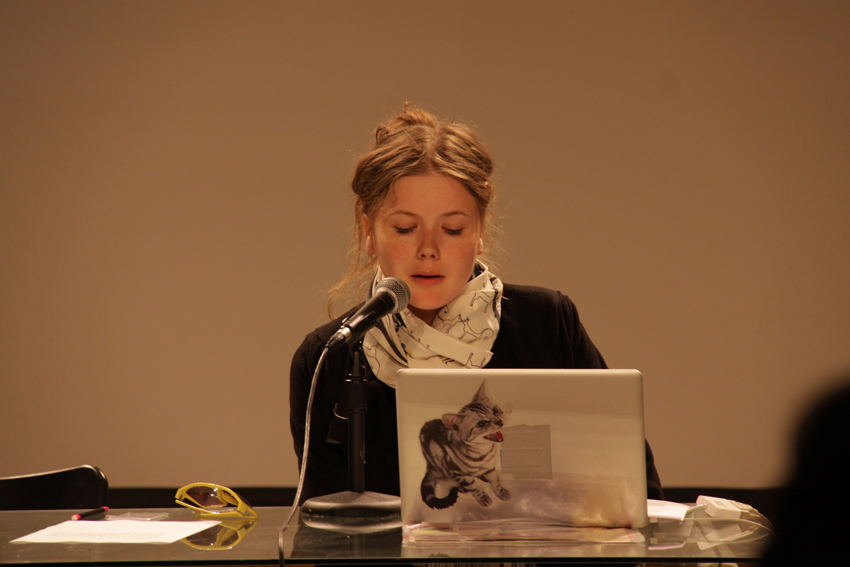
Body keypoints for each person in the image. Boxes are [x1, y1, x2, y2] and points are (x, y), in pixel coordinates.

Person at [289, 106, 663, 504]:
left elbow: (635, 489)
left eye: (452, 229)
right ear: (369, 232)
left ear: (480, 232)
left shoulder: (547, 325)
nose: (429, 249)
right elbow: (324, 529)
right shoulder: (329, 356)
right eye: (405, 228)